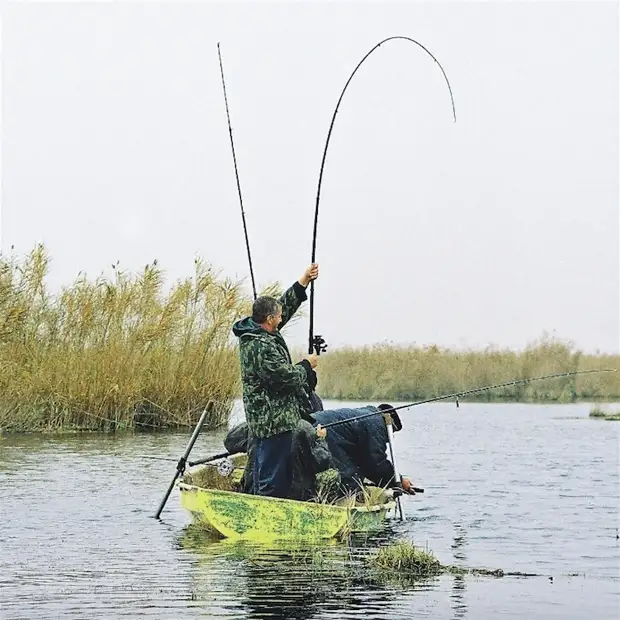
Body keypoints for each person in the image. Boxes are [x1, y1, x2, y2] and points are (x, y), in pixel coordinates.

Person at [232, 263, 323, 498]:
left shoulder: (259, 329)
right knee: (274, 475)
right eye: (279, 316)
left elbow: (285, 305)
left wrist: (303, 281)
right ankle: (267, 507)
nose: (282, 317)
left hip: (267, 418)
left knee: (265, 467)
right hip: (273, 420)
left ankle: (260, 499)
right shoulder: (261, 345)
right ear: (270, 319)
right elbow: (285, 378)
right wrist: (306, 365)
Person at [312, 404, 416, 497]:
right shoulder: (377, 423)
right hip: (324, 432)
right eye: (391, 433)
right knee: (350, 482)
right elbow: (376, 463)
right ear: (389, 425)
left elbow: (365, 462)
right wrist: (398, 481)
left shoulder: (368, 416)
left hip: (312, 424)